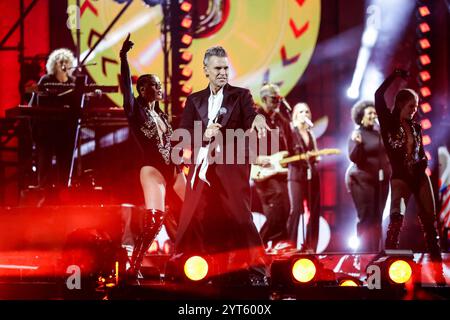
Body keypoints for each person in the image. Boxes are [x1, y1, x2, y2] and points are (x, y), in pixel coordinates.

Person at [174, 46, 271, 285]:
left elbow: (251, 115)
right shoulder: (194, 100)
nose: (223, 72)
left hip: (231, 166)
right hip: (203, 168)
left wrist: (258, 118)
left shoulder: (240, 95)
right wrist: (203, 133)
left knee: (240, 218)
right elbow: (184, 133)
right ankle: (202, 270)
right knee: (199, 218)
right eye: (217, 68)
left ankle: (258, 271)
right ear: (205, 70)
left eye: (226, 68)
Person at [119, 34, 186, 278]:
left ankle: (190, 254)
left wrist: (181, 163)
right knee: (155, 218)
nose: (159, 89)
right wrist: (123, 57)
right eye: (154, 85)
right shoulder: (135, 110)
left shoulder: (162, 116)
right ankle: (134, 265)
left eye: (159, 85)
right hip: (152, 170)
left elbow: (171, 142)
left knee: (195, 207)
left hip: (173, 168)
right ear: (142, 89)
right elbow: (126, 88)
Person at [375, 69, 443, 272]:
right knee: (397, 215)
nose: (415, 110)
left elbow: (420, 152)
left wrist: (423, 162)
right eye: (411, 106)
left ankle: (436, 260)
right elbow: (378, 96)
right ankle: (389, 255)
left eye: (416, 107)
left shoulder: (416, 127)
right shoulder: (388, 122)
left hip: (419, 175)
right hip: (400, 176)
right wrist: (394, 76)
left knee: (429, 218)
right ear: (401, 104)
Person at [28, 48, 78, 193]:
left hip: (66, 131)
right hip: (47, 131)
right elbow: (36, 103)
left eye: (66, 62)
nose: (63, 65)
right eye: (60, 62)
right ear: (54, 64)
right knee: (45, 165)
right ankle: (43, 195)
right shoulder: (46, 80)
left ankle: (64, 193)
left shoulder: (74, 82)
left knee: (65, 164)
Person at [345, 100, 391, 252]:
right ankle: (363, 253)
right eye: (369, 113)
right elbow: (354, 158)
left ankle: (376, 251)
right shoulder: (357, 134)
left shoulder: (380, 133)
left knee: (378, 218)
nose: (373, 115)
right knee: (367, 217)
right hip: (362, 180)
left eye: (374, 113)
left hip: (381, 181)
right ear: (361, 117)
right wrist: (357, 144)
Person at [253, 83, 291, 251]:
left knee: (286, 208)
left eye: (279, 98)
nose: (277, 101)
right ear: (263, 99)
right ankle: (258, 246)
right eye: (274, 98)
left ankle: (277, 247)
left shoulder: (281, 120)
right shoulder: (255, 118)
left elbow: (289, 144)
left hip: (279, 171)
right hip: (263, 172)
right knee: (276, 209)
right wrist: (256, 158)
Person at [285, 102, 321, 252]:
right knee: (297, 209)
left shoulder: (311, 133)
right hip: (296, 173)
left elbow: (316, 154)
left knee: (314, 210)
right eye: (300, 112)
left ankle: (310, 246)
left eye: (307, 111)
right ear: (295, 115)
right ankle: (290, 245)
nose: (304, 114)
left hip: (311, 173)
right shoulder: (291, 132)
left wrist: (315, 157)